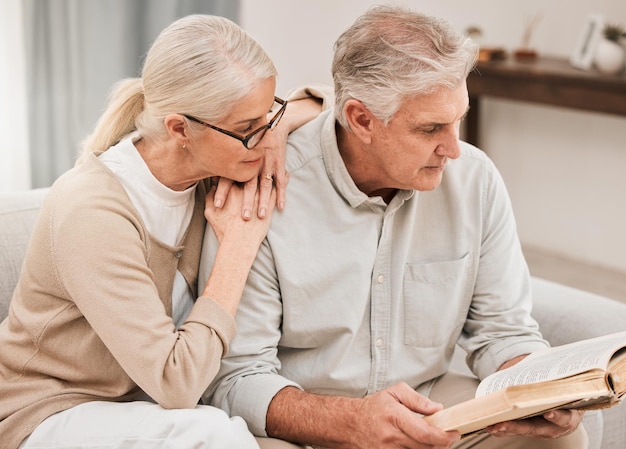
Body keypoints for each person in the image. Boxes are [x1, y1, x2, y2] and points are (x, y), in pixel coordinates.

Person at [201, 6, 588, 449]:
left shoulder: (475, 181)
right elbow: (238, 377)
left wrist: (541, 387)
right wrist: (350, 421)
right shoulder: (264, 192)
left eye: (457, 119)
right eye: (430, 129)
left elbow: (504, 331)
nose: (453, 149)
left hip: (430, 409)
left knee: (557, 441)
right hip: (306, 422)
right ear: (361, 119)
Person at [0, 14, 320, 449]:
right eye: (249, 129)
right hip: (50, 413)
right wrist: (237, 249)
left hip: (143, 408)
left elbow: (329, 104)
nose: (264, 142)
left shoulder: (213, 167)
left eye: (271, 115)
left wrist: (278, 125)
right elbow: (176, 384)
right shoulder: (92, 209)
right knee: (212, 435)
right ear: (179, 129)